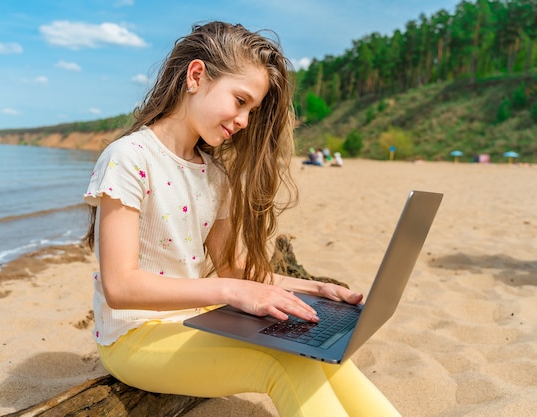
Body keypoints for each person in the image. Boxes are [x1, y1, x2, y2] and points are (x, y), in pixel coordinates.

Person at [82, 21, 399, 417]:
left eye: (252, 109)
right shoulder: (129, 157)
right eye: (240, 101)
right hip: (132, 337)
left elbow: (235, 270)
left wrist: (313, 288)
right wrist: (230, 292)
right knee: (281, 367)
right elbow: (120, 286)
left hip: (198, 322)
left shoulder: (215, 175)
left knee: (314, 354)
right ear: (196, 76)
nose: (245, 121)